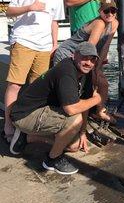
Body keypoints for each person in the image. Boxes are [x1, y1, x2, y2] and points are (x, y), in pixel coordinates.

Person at [9, 42, 102, 175]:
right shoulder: (67, 71)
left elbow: (84, 104)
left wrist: (82, 133)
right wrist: (97, 100)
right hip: (25, 115)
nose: (88, 63)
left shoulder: (86, 74)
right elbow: (71, 109)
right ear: (74, 55)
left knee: (74, 147)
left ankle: (26, 136)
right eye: (85, 57)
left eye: (92, 59)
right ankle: (52, 160)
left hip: (43, 111)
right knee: (75, 120)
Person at [3, 0, 65, 143]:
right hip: (23, 41)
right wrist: (30, 7)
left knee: (38, 89)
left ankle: (28, 124)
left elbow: (54, 22)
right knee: (15, 85)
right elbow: (9, 11)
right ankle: (8, 124)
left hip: (44, 47)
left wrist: (55, 44)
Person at [53, 0, 118, 123]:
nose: (110, 14)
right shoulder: (99, 24)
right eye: (106, 11)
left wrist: (99, 66)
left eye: (113, 11)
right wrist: (92, 69)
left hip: (85, 55)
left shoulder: (114, 23)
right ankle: (64, 115)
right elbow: (89, 49)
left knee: (102, 82)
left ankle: (99, 111)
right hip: (68, 53)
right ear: (100, 12)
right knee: (70, 84)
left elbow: (106, 46)